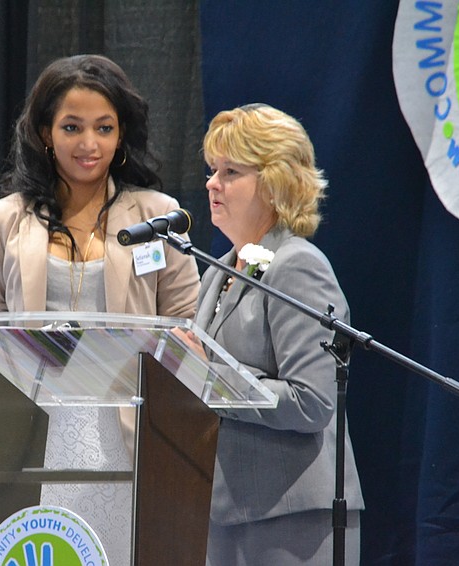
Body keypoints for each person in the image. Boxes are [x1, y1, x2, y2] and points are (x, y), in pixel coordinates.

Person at [0, 54, 199, 566]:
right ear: (45, 133)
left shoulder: (159, 217)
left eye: (104, 127)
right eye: (72, 127)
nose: (88, 143)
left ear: (122, 136)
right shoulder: (3, 220)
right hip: (30, 430)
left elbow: (186, 330)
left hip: (132, 431)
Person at [182, 103, 364, 565]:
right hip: (223, 511)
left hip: (290, 517)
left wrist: (213, 376)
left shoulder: (297, 264)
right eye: (211, 170)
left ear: (276, 181)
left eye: (230, 171)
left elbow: (313, 401)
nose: (211, 183)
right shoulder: (220, 271)